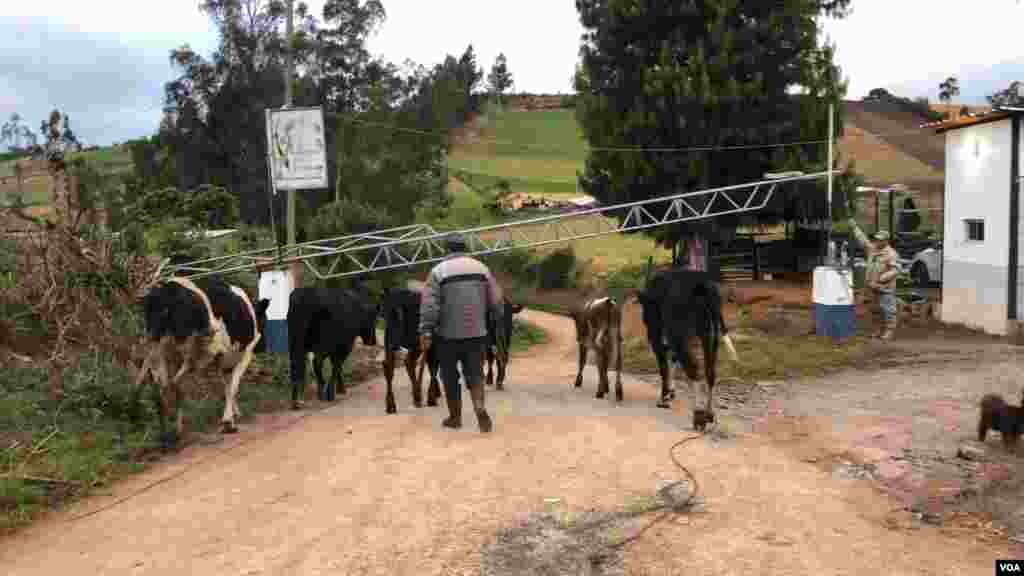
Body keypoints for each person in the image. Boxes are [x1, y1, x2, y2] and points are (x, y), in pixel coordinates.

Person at [418, 233, 504, 433]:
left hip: (447, 336)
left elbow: (430, 305)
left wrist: (426, 330)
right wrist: (495, 319)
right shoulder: (482, 269)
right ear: (464, 247)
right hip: (476, 334)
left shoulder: (438, 271)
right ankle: (479, 407)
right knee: (475, 374)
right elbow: (497, 299)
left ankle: (455, 417)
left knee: (449, 376)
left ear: (446, 249)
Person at [847, 218, 901, 340]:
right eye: (876, 239)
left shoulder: (891, 254)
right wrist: (855, 227)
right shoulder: (872, 249)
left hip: (885, 287)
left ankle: (889, 330)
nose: (877, 241)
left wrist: (883, 278)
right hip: (872, 286)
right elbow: (863, 240)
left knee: (888, 309)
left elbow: (896, 270)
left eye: (880, 240)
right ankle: (877, 329)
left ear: (886, 241)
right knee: (875, 310)